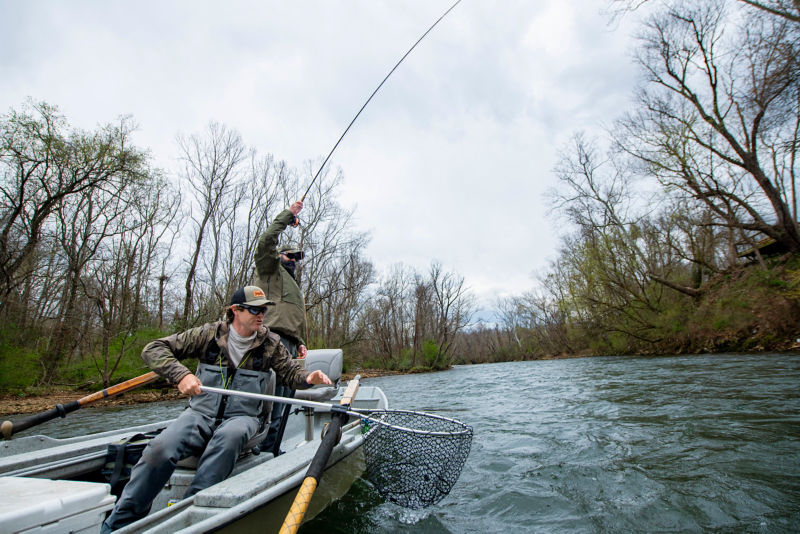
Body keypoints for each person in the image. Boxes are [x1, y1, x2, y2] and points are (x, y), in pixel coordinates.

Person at [101, 286, 331, 533]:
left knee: (228, 437)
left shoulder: (270, 343)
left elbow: (290, 373)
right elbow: (153, 349)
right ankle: (119, 524)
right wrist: (181, 375)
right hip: (199, 414)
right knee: (159, 447)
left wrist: (309, 377)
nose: (261, 315)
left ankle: (188, 515)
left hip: (245, 418)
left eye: (263, 310)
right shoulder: (208, 335)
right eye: (255, 310)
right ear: (235, 310)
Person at [252, 200, 308, 454]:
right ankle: (256, 450)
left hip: (290, 346)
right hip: (269, 340)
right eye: (289, 255)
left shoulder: (293, 284)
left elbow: (294, 315)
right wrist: (289, 215)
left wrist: (301, 341)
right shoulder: (269, 268)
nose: (293, 260)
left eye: (296, 257)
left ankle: (271, 450)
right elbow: (266, 241)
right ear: (279, 255)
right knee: (268, 400)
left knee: (286, 399)